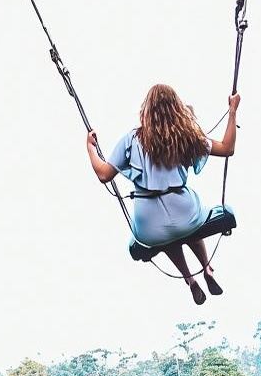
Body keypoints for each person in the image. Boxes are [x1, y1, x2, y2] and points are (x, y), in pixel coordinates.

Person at [86, 84, 240, 304]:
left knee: (166, 234)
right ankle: (207, 268)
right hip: (187, 216)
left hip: (149, 228)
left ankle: (190, 280)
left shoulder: (132, 139)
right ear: (177, 107)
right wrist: (232, 111)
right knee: (187, 225)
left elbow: (104, 174)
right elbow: (227, 148)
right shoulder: (186, 136)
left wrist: (90, 148)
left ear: (146, 110)